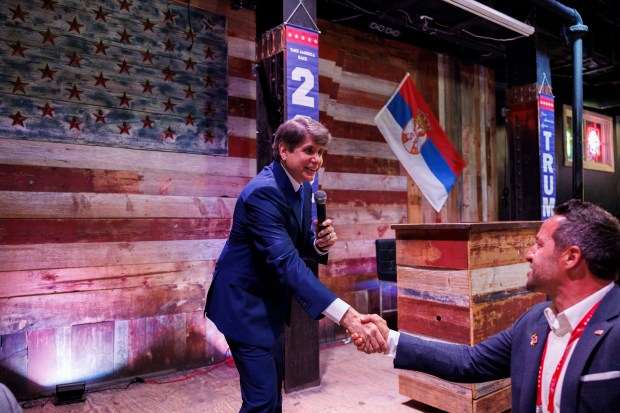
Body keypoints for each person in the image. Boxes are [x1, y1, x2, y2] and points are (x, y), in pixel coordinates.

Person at [354, 199, 620, 413]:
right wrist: (388, 338)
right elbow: (470, 361)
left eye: (538, 245)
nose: (528, 254)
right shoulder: (535, 320)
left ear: (571, 257)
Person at [205, 115, 387, 413]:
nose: (317, 160)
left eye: (321, 153)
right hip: (244, 307)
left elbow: (299, 244)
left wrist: (318, 244)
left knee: (272, 395)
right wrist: (348, 316)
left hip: (271, 307)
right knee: (261, 402)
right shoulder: (262, 193)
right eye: (309, 150)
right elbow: (286, 263)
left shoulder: (302, 188)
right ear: (283, 150)